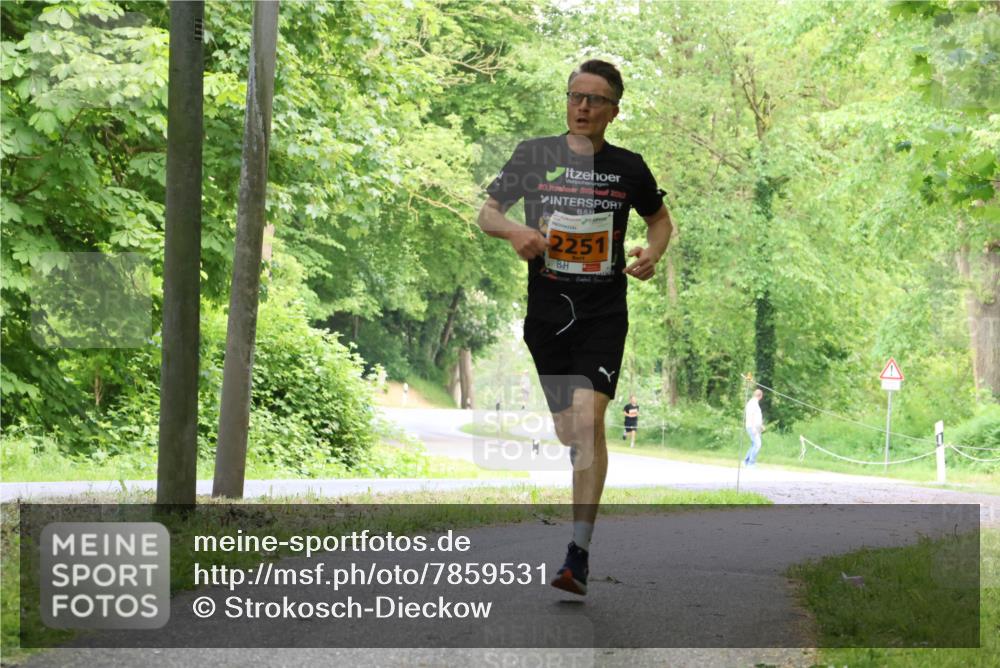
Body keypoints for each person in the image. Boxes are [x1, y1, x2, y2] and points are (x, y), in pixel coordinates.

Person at [478, 59, 673, 596]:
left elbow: (659, 221)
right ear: (567, 102)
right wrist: (515, 230)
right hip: (548, 314)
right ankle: (578, 530)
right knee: (570, 433)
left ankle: (578, 552)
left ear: (613, 110)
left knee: (589, 423)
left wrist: (651, 254)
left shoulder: (630, 167)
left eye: (595, 100)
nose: (583, 106)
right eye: (575, 97)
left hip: (603, 311)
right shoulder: (534, 154)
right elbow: (488, 212)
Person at [744, 388, 765, 466]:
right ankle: (751, 463)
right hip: (752, 427)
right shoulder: (753, 403)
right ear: (761, 396)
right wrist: (753, 428)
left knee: (754, 444)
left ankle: (746, 461)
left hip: (754, 426)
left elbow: (756, 416)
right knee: (757, 444)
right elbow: (751, 415)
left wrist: (761, 426)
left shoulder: (753, 402)